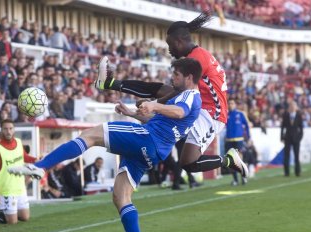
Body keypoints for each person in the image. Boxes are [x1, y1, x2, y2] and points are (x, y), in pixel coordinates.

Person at [8, 58, 202, 232]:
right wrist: (132, 114)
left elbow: (180, 112)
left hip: (148, 139)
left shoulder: (191, 96)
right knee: (120, 196)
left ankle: (41, 166)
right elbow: (164, 120)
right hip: (152, 149)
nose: (172, 78)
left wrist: (155, 104)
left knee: (91, 135)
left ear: (189, 77)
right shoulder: (183, 96)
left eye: (176, 75)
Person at [94, 12, 248, 181]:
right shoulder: (195, 56)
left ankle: (229, 160)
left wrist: (155, 103)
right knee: (160, 90)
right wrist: (151, 105)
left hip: (212, 114)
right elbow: (176, 90)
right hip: (198, 106)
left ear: (179, 41)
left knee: (189, 163)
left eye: (169, 44)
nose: (169, 49)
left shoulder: (198, 58)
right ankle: (109, 83)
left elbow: (179, 90)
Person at [225, 99, 250, 186]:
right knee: (231, 161)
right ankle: (235, 180)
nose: (230, 105)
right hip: (229, 140)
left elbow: (247, 125)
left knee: (239, 159)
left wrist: (249, 137)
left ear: (235, 104)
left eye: (232, 103)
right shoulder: (226, 114)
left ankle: (243, 177)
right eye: (229, 104)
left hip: (239, 140)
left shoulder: (240, 114)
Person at [281, 101, 303, 177]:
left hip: (296, 138)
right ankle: (286, 172)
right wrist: (281, 137)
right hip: (287, 138)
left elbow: (301, 127)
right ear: (289, 107)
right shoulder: (286, 115)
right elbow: (282, 127)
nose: (292, 107)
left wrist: (300, 137)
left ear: (296, 107)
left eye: (293, 106)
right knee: (286, 155)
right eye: (291, 106)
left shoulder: (299, 115)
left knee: (296, 155)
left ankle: (298, 171)